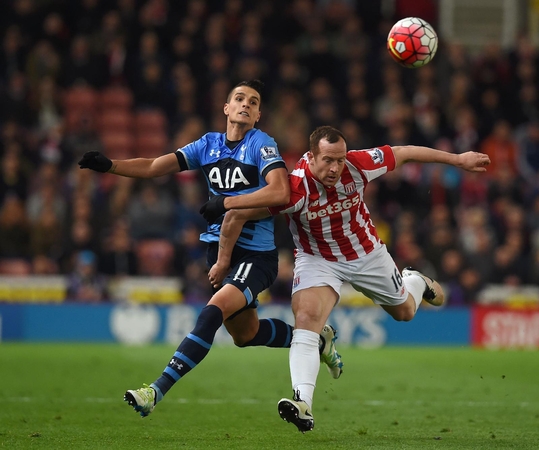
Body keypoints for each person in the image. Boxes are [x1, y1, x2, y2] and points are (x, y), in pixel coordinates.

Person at [78, 80, 343, 417]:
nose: (245, 104)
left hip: (256, 256)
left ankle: (154, 391)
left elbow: (280, 192)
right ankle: (317, 341)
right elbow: (155, 166)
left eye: (253, 101)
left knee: (211, 312)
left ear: (258, 114)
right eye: (239, 98)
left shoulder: (261, 145)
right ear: (227, 108)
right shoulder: (208, 145)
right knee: (245, 334)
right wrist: (110, 165)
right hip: (220, 250)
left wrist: (227, 202)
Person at [208, 125, 491, 432]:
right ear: (311, 157)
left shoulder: (357, 165)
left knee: (406, 312)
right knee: (306, 317)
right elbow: (238, 214)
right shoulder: (294, 188)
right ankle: (303, 403)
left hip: (366, 253)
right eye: (328, 160)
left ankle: (414, 280)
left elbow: (404, 152)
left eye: (340, 160)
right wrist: (224, 260)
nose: (335, 168)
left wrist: (459, 159)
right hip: (317, 259)